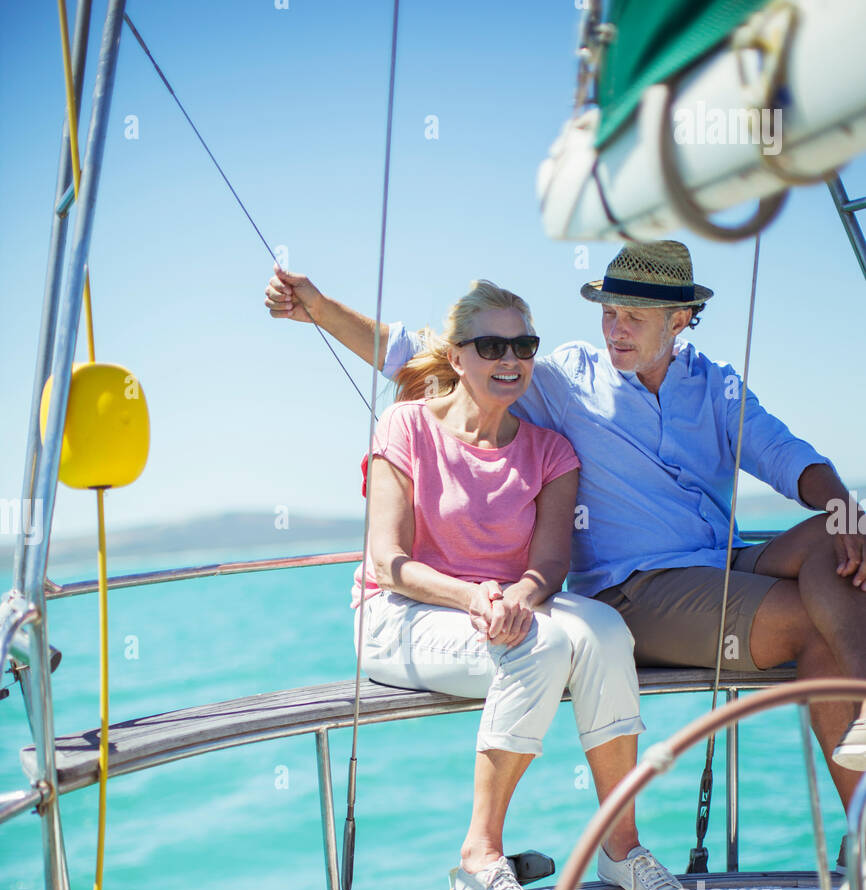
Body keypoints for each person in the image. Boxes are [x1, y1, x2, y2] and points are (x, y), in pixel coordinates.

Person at [265, 243, 866, 847]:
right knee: (815, 620)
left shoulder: (718, 387)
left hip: (725, 562)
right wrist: (316, 307)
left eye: (633, 315)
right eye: (609, 312)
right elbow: (423, 356)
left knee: (839, 536)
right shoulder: (563, 380)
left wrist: (842, 507)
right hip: (637, 588)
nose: (615, 328)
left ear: (678, 320)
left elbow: (789, 457)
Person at [270, 276, 682, 890]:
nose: (511, 360)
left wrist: (517, 594)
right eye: (492, 345)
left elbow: (550, 563)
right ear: (457, 356)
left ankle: (620, 846)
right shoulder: (405, 426)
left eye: (524, 345)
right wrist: (476, 597)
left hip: (504, 609)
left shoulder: (550, 450)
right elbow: (388, 561)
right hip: (398, 615)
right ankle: (481, 857)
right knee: (538, 644)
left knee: (605, 628)